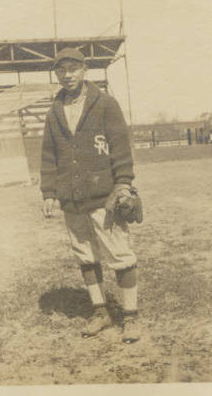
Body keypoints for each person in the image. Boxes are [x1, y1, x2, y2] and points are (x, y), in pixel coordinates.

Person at [40, 47, 141, 343]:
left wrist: (123, 184)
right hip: (71, 197)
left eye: (73, 68)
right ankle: (100, 312)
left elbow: (121, 148)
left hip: (103, 195)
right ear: (56, 74)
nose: (67, 75)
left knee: (120, 255)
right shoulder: (54, 112)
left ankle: (131, 316)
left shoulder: (105, 104)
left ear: (85, 70)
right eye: (62, 70)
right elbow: (49, 156)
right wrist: (49, 192)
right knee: (85, 255)